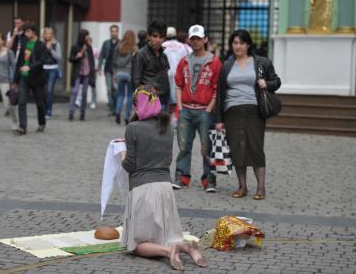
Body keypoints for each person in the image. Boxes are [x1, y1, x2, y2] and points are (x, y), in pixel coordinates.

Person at [120, 86, 209, 271]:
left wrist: (122, 153)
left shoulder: (133, 128)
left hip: (142, 188)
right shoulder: (167, 126)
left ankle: (169, 252)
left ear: (139, 105)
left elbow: (129, 165)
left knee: (137, 244)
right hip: (164, 187)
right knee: (165, 234)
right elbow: (167, 159)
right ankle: (185, 246)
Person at [215, 29, 281, 200]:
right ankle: (242, 187)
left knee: (255, 148)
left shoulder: (261, 62)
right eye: (235, 43)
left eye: (241, 43)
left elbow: (277, 82)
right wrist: (219, 119)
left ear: (248, 45)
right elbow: (220, 93)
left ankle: (261, 188)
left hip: (254, 110)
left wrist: (265, 83)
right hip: (232, 111)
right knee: (238, 149)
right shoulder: (227, 66)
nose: (238, 46)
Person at [173, 25, 222, 192]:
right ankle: (182, 176)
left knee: (207, 146)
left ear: (205, 39)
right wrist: (180, 107)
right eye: (192, 38)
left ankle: (209, 179)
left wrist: (209, 108)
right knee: (184, 146)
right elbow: (178, 85)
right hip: (185, 109)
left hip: (205, 111)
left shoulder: (214, 62)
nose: (195, 41)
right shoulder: (184, 61)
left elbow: (217, 88)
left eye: (198, 38)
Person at [12, 21, 47, 135]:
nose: (26, 34)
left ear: (34, 32)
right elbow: (19, 62)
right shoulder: (24, 43)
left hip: (37, 79)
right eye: (25, 32)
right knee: (22, 102)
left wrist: (30, 67)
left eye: (28, 31)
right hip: (24, 78)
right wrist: (15, 80)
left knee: (39, 103)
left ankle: (41, 123)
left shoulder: (41, 45)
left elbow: (42, 61)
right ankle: (22, 127)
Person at [131, 20, 170, 110]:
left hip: (164, 100)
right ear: (149, 36)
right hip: (148, 101)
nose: (158, 40)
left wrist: (170, 99)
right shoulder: (140, 55)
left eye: (161, 37)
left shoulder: (164, 56)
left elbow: (165, 78)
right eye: (155, 36)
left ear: (164, 38)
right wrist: (148, 93)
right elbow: (135, 82)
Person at [162, 26, 192, 121]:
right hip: (180, 75)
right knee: (178, 97)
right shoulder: (184, 46)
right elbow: (191, 57)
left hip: (165, 75)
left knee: (166, 98)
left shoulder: (162, 45)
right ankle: (176, 118)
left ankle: (166, 119)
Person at [68, 29, 95, 121]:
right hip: (78, 72)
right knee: (75, 91)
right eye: (86, 36)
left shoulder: (89, 47)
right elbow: (70, 59)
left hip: (87, 73)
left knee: (84, 93)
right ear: (82, 36)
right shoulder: (75, 47)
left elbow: (91, 61)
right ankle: (71, 112)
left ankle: (82, 113)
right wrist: (77, 56)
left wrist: (93, 73)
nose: (87, 37)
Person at [113, 30, 136, 125]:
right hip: (130, 74)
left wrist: (114, 73)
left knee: (121, 94)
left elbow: (114, 61)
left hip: (119, 73)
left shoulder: (118, 46)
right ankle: (126, 117)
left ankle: (117, 113)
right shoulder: (134, 48)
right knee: (130, 96)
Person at [99, 24, 119, 116]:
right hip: (107, 69)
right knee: (109, 89)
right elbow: (101, 56)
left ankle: (115, 109)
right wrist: (99, 68)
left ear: (117, 32)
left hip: (117, 70)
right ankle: (112, 108)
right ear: (110, 32)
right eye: (112, 31)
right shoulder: (106, 43)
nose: (114, 33)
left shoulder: (121, 43)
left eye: (115, 31)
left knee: (115, 90)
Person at [42, 27, 62, 119]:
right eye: (46, 33)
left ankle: (48, 110)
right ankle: (44, 108)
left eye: (49, 33)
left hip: (52, 69)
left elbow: (59, 57)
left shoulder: (56, 44)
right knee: (44, 91)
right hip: (42, 69)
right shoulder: (41, 44)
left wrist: (51, 50)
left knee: (49, 90)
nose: (47, 35)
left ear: (52, 35)